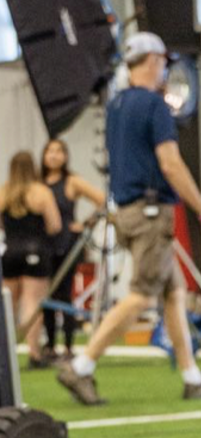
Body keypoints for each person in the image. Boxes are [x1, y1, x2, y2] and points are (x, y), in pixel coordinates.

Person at [56, 31, 201, 405]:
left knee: (174, 292)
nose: (165, 67)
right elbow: (171, 164)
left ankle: (192, 377)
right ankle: (81, 365)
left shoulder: (116, 106)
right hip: (150, 214)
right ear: (152, 61)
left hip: (126, 212)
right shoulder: (154, 106)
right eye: (163, 61)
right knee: (140, 295)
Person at [39, 138, 105, 360]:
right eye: (50, 151)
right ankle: (49, 344)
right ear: (44, 155)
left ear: (65, 156)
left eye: (59, 151)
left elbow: (101, 200)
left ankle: (67, 346)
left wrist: (85, 224)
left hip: (66, 245)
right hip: (42, 245)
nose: (54, 155)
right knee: (45, 295)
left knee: (64, 294)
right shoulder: (38, 183)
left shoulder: (72, 181)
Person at [1, 149, 62, 368]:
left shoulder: (4, 192)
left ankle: (6, 353)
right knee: (32, 303)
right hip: (35, 249)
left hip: (9, 251)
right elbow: (55, 225)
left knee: (9, 304)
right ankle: (34, 353)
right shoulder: (41, 192)